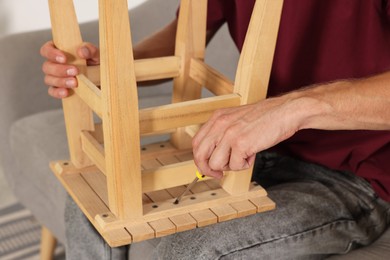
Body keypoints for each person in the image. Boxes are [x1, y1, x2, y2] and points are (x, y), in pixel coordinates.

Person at [40, 0, 390, 259]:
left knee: (190, 250)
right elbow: (183, 41)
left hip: (361, 175)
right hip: (254, 151)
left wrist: (293, 109)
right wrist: (110, 66)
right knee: (90, 194)